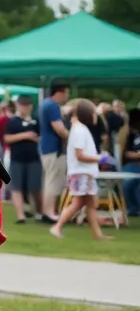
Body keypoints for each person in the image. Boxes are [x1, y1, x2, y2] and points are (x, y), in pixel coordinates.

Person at [51, 99, 112, 241]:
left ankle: (97, 234)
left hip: (85, 172)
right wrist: (99, 158)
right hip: (81, 172)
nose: (96, 117)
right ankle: (57, 226)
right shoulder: (79, 130)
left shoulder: (81, 129)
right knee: (79, 202)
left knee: (90, 203)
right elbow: (80, 155)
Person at [4, 95, 42, 223]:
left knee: (35, 187)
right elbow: (7, 139)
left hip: (34, 158)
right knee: (17, 187)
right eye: (22, 105)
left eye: (27, 105)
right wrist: (24, 135)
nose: (25, 108)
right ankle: (21, 215)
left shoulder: (36, 121)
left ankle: (38, 211)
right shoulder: (13, 122)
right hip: (17, 158)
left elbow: (41, 138)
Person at [39, 81, 72, 223]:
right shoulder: (52, 106)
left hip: (46, 148)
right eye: (66, 93)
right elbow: (58, 127)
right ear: (60, 92)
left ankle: (47, 210)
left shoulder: (44, 104)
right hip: (54, 149)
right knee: (53, 181)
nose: (67, 96)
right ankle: (50, 212)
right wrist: (73, 137)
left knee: (48, 181)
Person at [123, 107, 140, 218]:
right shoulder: (130, 136)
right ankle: (132, 208)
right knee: (127, 183)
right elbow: (126, 153)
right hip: (133, 164)